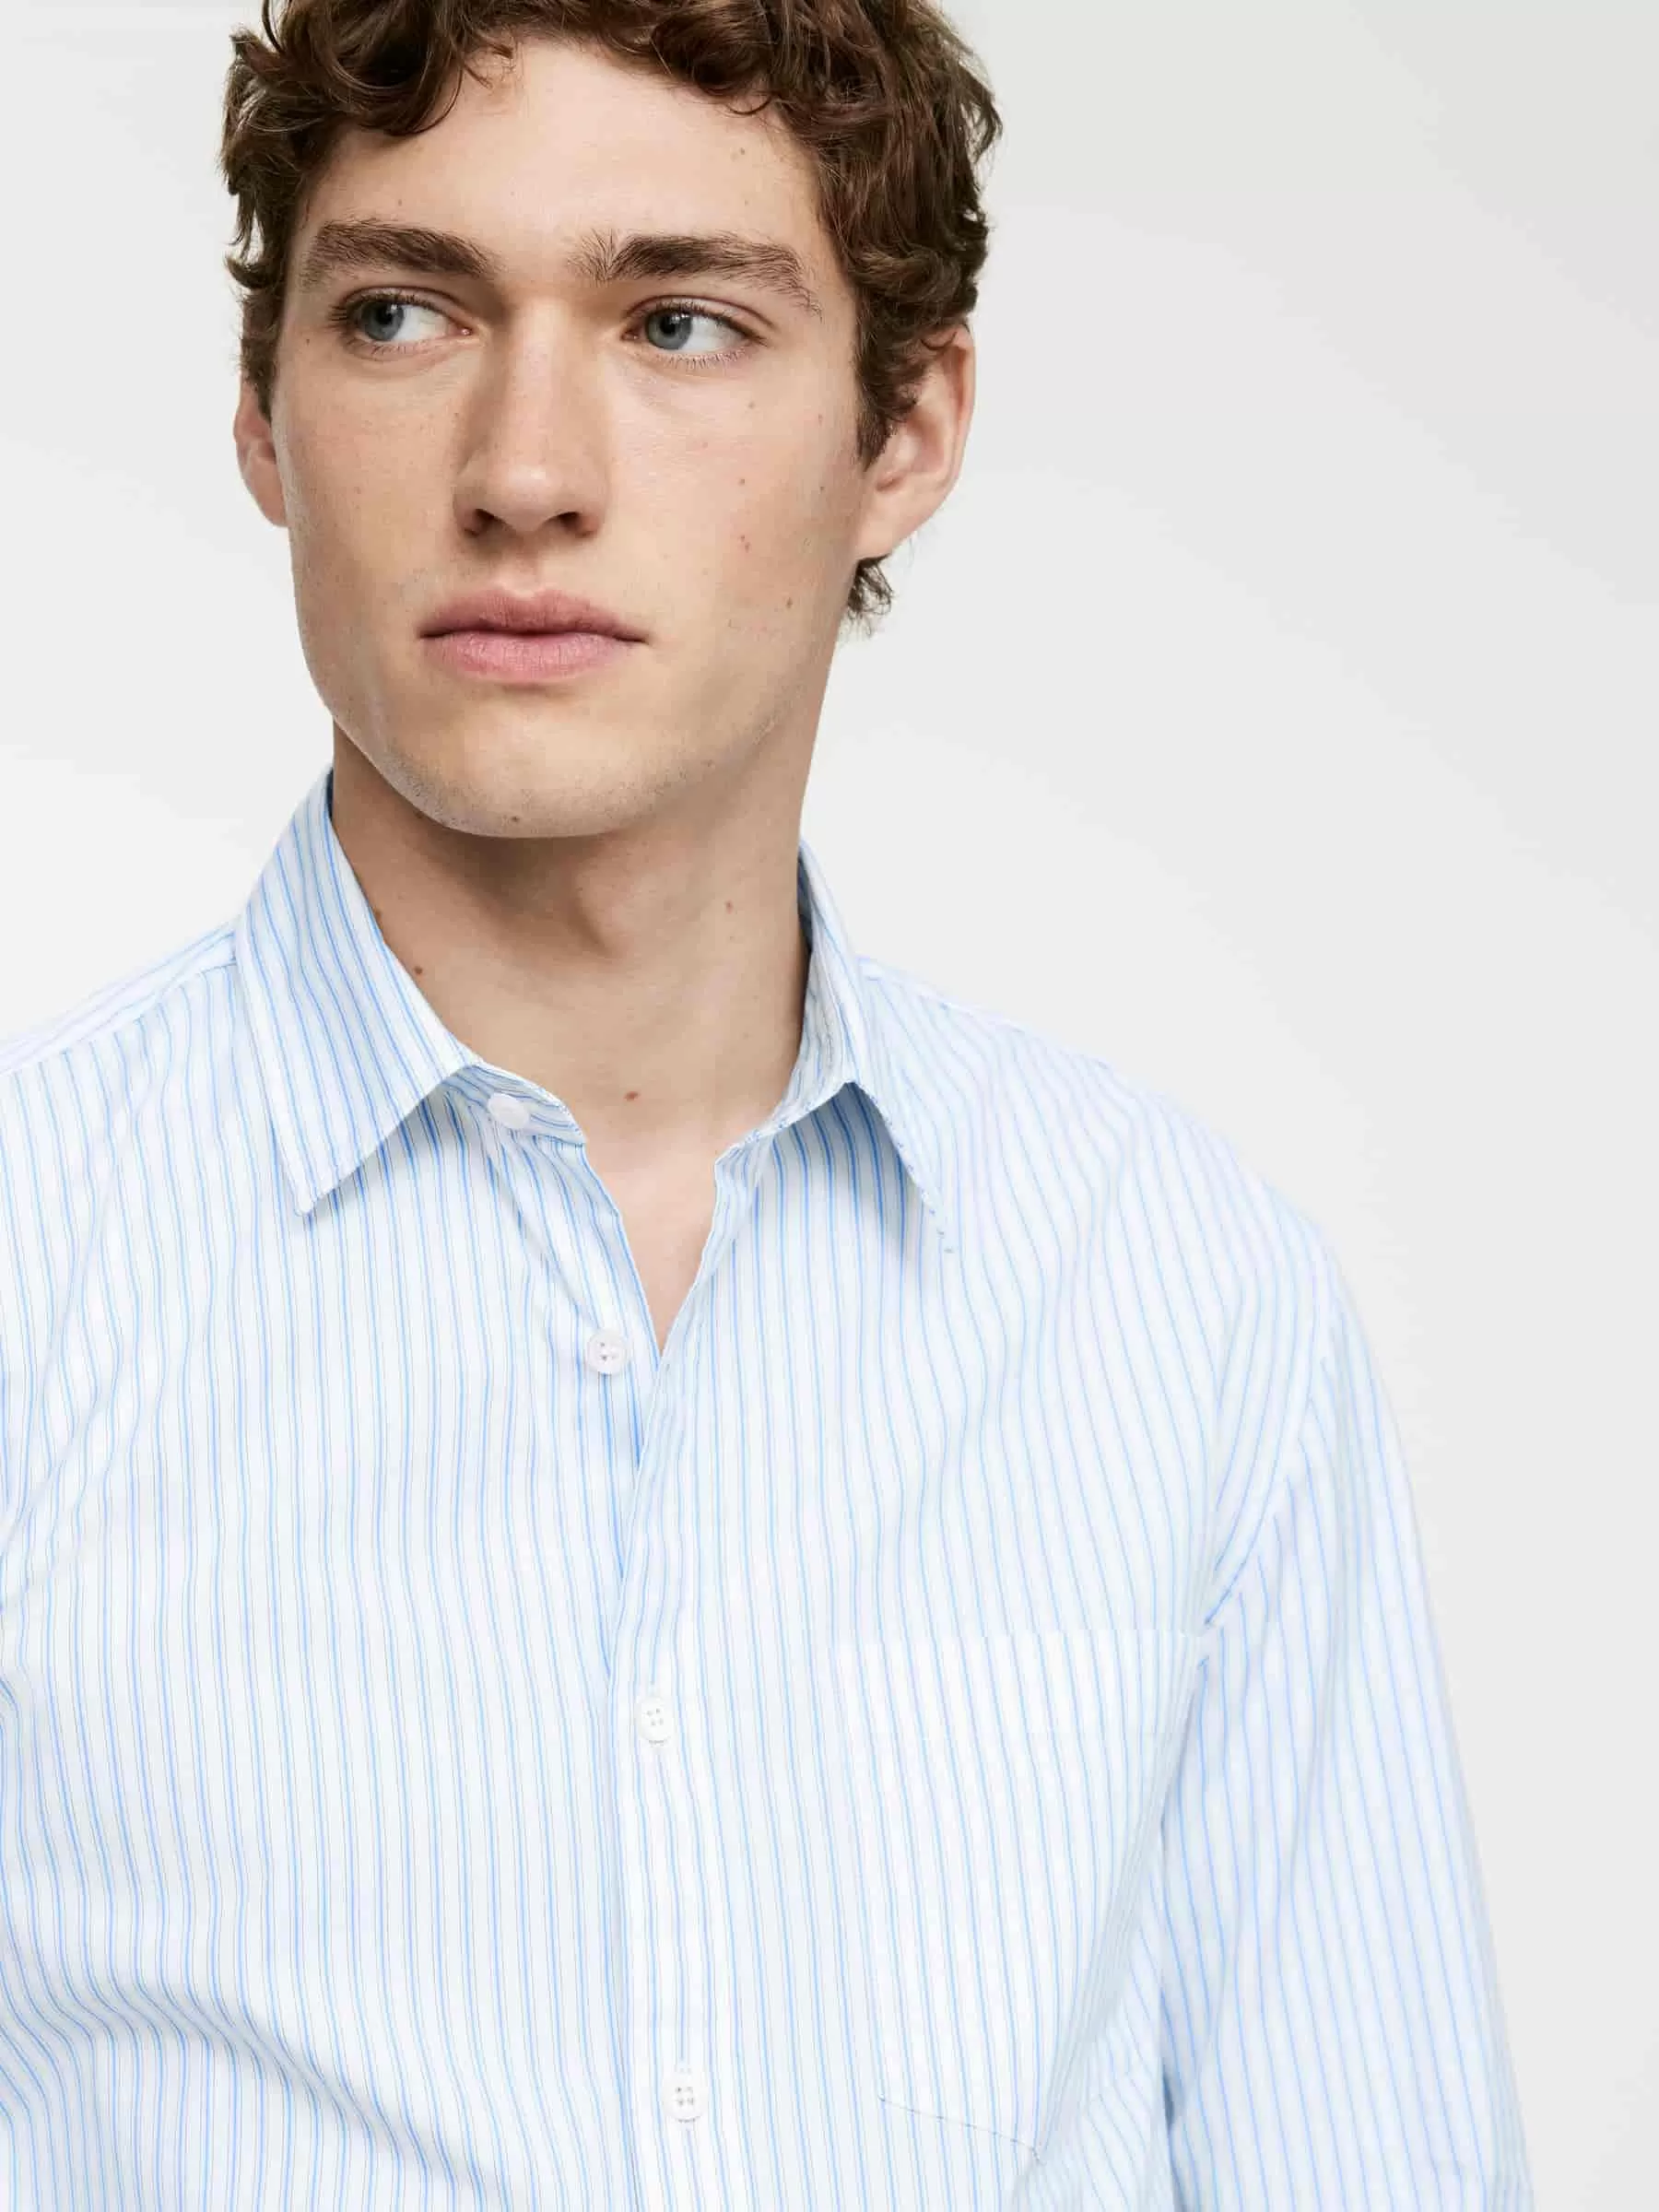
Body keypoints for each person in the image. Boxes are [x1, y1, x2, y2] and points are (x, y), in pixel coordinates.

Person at [0, 2, 1534, 2205]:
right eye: (405, 311)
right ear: (264, 413)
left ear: (907, 429)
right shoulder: (33, 1270)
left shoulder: (1184, 1307)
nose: (528, 472)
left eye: (681, 323)